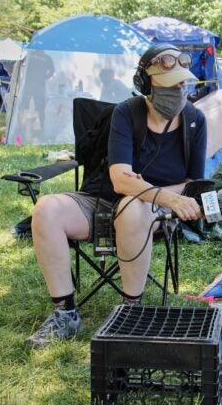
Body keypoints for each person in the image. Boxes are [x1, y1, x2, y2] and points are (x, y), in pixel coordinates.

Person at [26, 44, 207, 348]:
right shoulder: (126, 112)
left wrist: (154, 194)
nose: (178, 90)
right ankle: (65, 314)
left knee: (134, 207)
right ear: (145, 83)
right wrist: (144, 189)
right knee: (46, 208)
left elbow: (193, 185)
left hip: (153, 212)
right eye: (169, 84)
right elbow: (119, 179)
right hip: (103, 200)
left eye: (183, 83)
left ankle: (131, 312)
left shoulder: (194, 121)